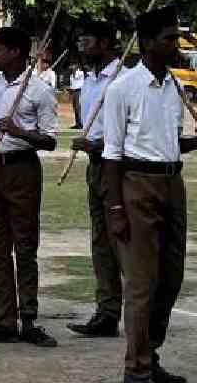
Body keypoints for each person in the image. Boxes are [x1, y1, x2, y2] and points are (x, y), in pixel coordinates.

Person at [102, 6, 197, 383]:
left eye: (176, 37)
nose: (175, 45)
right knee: (141, 283)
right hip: (136, 186)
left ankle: (149, 357)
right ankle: (135, 371)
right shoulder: (122, 89)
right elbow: (113, 154)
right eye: (169, 38)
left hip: (173, 184)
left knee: (171, 278)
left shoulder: (174, 87)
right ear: (148, 43)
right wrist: (116, 207)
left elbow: (166, 143)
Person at [0, 27, 59, 348]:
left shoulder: (38, 90)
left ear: (17, 53)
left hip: (22, 170)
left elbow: (49, 140)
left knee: (24, 247)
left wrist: (20, 132)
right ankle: (4, 319)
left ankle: (29, 319)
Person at [67, 22, 125, 338]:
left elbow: (131, 134)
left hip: (119, 169)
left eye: (85, 39)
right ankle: (107, 312)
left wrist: (99, 145)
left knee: (123, 242)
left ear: (104, 42)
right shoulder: (90, 80)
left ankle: (143, 313)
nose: (81, 45)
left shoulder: (124, 79)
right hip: (96, 168)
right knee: (101, 243)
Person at [68, 62, 85, 129]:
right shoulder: (71, 75)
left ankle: (81, 123)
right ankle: (77, 123)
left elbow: (76, 76)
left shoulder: (80, 72)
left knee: (78, 108)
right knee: (75, 108)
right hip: (74, 91)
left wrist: (74, 69)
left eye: (73, 65)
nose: (72, 67)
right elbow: (73, 84)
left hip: (79, 91)